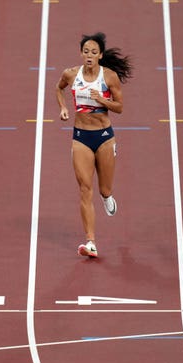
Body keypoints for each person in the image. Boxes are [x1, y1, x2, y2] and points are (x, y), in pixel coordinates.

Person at [55, 32, 133, 258]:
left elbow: (119, 107)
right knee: (84, 189)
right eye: (86, 51)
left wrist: (101, 100)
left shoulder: (109, 77)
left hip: (104, 138)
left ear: (100, 55)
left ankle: (107, 197)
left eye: (93, 52)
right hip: (81, 138)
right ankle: (91, 242)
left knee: (104, 189)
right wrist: (63, 108)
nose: (89, 55)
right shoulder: (70, 74)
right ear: (81, 53)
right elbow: (58, 88)